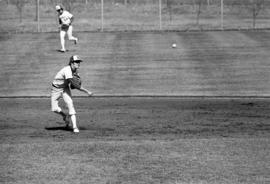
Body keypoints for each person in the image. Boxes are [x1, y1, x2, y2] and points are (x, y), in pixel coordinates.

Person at [51, 55, 93, 133]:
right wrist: (87, 91)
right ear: (72, 63)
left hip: (65, 88)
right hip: (56, 89)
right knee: (54, 109)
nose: (78, 63)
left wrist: (77, 80)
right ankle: (64, 115)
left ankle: (74, 127)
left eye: (79, 62)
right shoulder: (67, 70)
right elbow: (76, 86)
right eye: (76, 62)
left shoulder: (75, 71)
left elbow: (72, 86)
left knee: (70, 104)